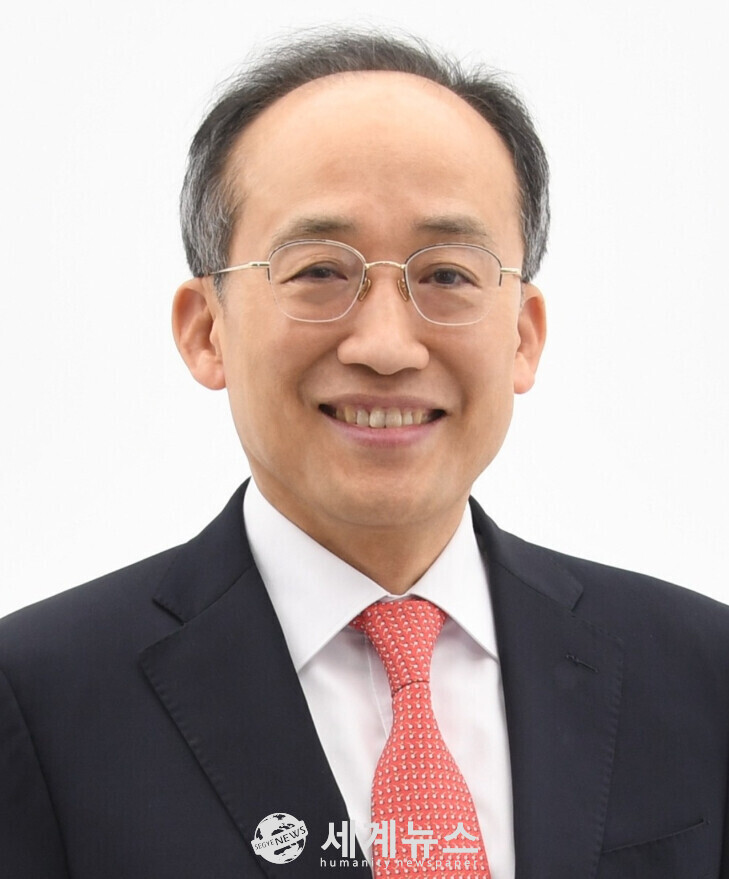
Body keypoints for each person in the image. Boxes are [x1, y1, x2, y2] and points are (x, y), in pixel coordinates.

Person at [1, 29, 728, 879]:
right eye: (319, 270)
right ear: (206, 330)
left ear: (523, 336)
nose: (386, 346)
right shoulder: (36, 699)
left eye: (447, 274)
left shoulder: (698, 673)